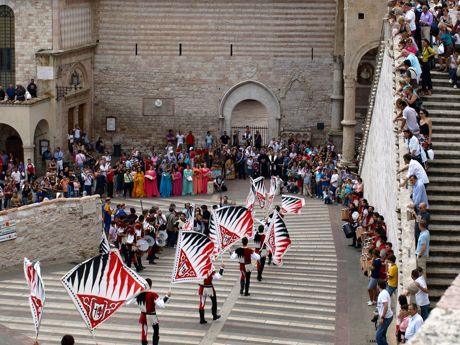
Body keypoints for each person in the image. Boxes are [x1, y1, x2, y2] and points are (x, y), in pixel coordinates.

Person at [136, 278, 171, 345]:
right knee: (156, 330)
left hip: (143, 315)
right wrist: (167, 296)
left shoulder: (138, 295)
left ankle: (144, 343)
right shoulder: (152, 295)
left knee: (144, 331)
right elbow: (161, 304)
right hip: (151, 315)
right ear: (150, 285)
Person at [375, 280, 394, 345]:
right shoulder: (384, 292)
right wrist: (378, 313)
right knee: (382, 334)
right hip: (387, 316)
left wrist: (382, 317)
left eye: (377, 285)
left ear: (378, 286)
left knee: (378, 336)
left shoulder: (383, 294)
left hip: (386, 318)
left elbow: (385, 306)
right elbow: (385, 306)